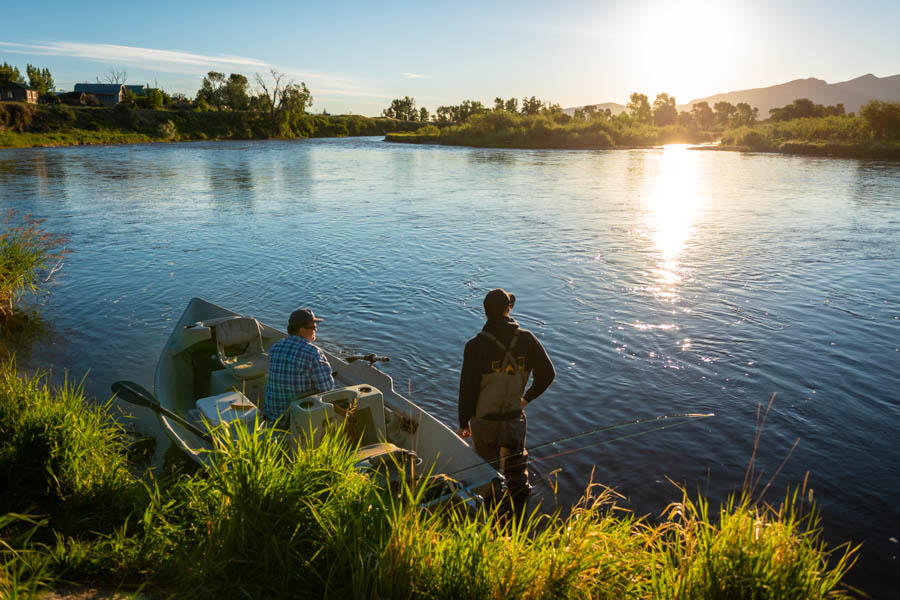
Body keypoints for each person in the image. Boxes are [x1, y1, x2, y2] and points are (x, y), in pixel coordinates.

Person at [458, 288, 555, 500]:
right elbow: (547, 374)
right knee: (517, 475)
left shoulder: (475, 346)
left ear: (485, 312)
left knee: (486, 473)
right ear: (507, 310)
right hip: (514, 417)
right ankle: (519, 516)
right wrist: (525, 400)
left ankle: (489, 512)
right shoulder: (527, 340)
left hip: (485, 421)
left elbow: (468, 389)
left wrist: (463, 421)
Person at [263, 307, 335, 422]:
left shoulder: (275, 347)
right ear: (302, 331)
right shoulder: (313, 353)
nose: (316, 330)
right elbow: (327, 390)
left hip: (271, 413)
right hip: (295, 419)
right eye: (313, 327)